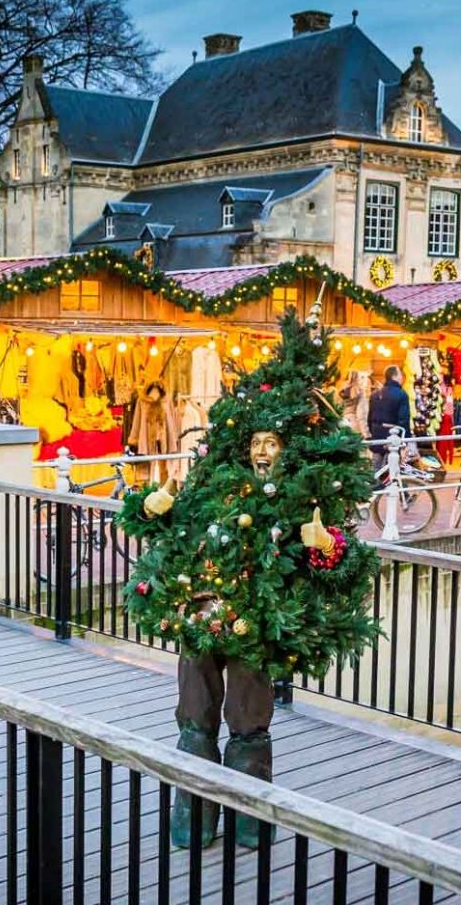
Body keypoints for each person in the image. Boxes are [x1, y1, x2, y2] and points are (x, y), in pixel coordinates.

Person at [119, 306, 380, 850]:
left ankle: (248, 823)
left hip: (255, 628)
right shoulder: (217, 489)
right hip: (201, 616)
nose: (262, 451)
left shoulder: (301, 498)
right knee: (194, 718)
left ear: (285, 449)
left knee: (248, 721)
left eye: (272, 443)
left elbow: (347, 563)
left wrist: (324, 546)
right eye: (256, 442)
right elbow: (175, 521)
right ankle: (192, 822)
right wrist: (154, 507)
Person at [368, 365, 411, 470]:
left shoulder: (374, 395)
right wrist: (405, 440)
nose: (401, 377)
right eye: (400, 374)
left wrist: (373, 433)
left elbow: (370, 418)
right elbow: (403, 420)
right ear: (394, 376)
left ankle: (374, 480)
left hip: (377, 437)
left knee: (376, 468)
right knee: (392, 468)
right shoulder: (401, 394)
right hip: (393, 438)